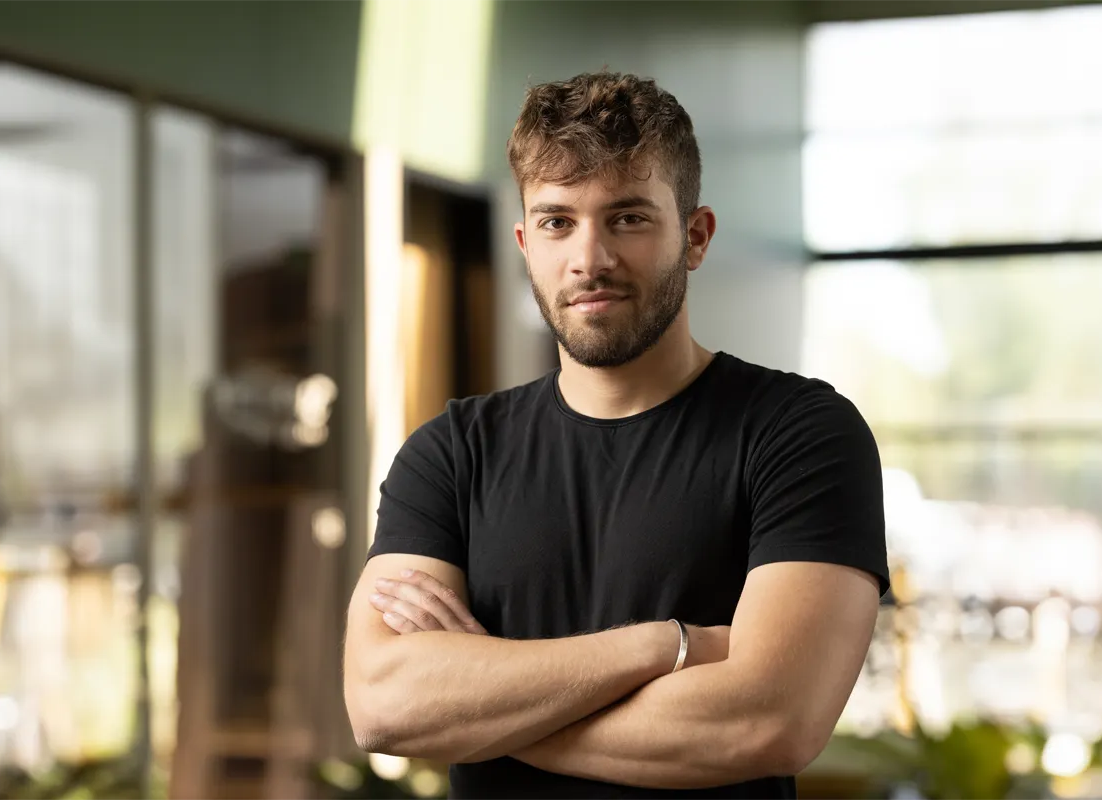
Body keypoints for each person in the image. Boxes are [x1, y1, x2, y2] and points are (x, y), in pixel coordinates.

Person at [341, 70, 889, 799]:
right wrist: (666, 645)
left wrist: (482, 704)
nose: (589, 259)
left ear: (694, 237)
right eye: (557, 221)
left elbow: (768, 723)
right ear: (524, 242)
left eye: (627, 218)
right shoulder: (451, 453)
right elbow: (383, 705)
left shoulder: (800, 435)